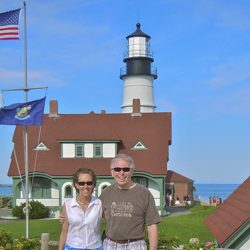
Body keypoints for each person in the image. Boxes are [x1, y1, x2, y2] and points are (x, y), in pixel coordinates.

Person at [100, 154, 160, 250]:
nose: (121, 173)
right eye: (117, 169)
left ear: (132, 172)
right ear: (112, 172)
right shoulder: (106, 193)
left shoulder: (144, 193)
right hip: (110, 244)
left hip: (135, 245)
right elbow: (95, 216)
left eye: (126, 169)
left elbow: (152, 225)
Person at [59, 168, 103, 250]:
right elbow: (64, 232)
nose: (86, 186)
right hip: (73, 247)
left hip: (95, 247)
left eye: (89, 183)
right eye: (82, 183)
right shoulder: (67, 206)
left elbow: (112, 221)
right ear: (76, 185)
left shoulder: (100, 204)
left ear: (93, 185)